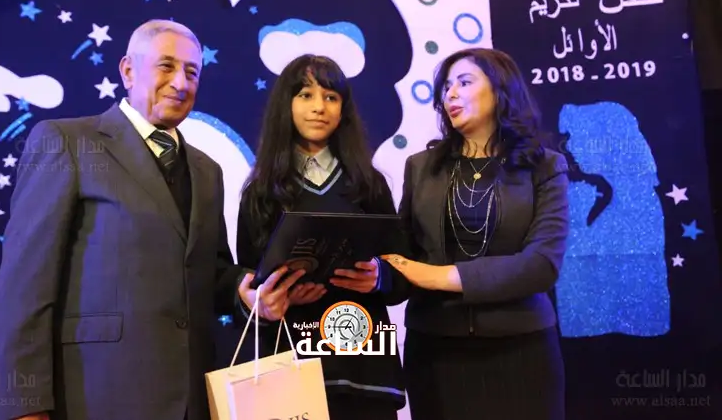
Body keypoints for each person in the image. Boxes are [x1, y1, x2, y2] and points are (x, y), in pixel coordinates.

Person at [0, 19, 302, 420]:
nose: (181, 83)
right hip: (93, 397)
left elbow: (210, 271)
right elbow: (24, 285)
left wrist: (246, 293)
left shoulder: (207, 171)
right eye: (166, 66)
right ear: (128, 70)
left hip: (191, 398)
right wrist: (23, 406)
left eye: (192, 72)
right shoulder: (66, 142)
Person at [382, 48, 569, 420]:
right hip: (436, 352)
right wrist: (377, 276)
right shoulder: (421, 167)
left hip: (522, 348)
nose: (450, 94)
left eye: (464, 82)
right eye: (446, 87)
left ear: (500, 90)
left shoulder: (544, 165)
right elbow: (404, 261)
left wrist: (439, 276)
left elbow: (541, 265)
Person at [235, 55, 407, 420]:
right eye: (306, 95)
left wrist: (379, 276)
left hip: (364, 363)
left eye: (331, 97)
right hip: (292, 364)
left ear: (344, 109)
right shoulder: (261, 192)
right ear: (286, 105)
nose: (319, 107)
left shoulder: (369, 184)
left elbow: (402, 266)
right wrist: (273, 296)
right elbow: (249, 280)